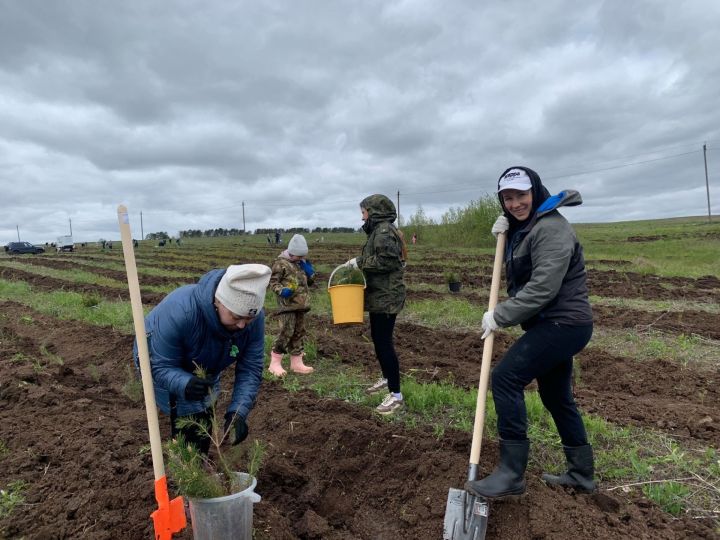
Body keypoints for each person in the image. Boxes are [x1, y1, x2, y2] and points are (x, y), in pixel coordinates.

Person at [465, 167, 596, 498]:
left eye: (521, 196)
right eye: (507, 198)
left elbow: (543, 288)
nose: (514, 204)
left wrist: (500, 316)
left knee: (506, 378)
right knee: (556, 396)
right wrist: (508, 233)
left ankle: (511, 474)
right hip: (553, 323)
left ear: (535, 192)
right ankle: (581, 474)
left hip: (563, 323)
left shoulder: (551, 229)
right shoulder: (530, 227)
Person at [133, 264, 271, 455]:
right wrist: (184, 384)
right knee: (187, 415)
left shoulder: (252, 319)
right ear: (219, 301)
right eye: (236, 316)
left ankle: (199, 455)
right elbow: (158, 364)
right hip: (158, 356)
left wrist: (238, 413)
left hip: (207, 359)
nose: (242, 325)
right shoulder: (181, 311)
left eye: (248, 320)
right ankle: (188, 464)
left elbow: (251, 368)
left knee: (206, 404)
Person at [345, 194, 407, 415]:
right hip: (380, 295)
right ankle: (387, 378)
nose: (362, 217)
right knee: (378, 339)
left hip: (387, 297)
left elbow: (386, 261)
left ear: (375, 212)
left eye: (364, 212)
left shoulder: (382, 232)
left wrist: (358, 263)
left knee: (383, 343)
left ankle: (396, 395)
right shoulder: (378, 231)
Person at [268, 234, 316, 376]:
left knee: (299, 332)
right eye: (298, 256)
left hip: (301, 305)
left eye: (303, 256)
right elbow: (273, 282)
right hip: (287, 306)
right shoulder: (280, 264)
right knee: (286, 332)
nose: (301, 259)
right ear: (291, 252)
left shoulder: (302, 263)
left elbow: (309, 283)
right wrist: (282, 291)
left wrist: (310, 273)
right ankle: (275, 362)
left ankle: (296, 363)